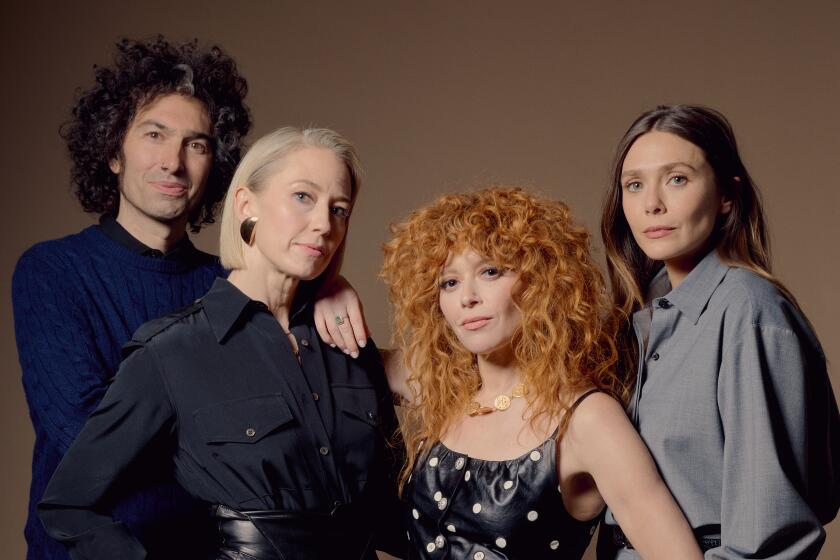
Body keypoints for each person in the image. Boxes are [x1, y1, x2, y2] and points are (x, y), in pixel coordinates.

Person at [38, 127, 405, 559]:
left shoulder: (348, 345)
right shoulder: (172, 351)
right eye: (302, 197)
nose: (324, 223)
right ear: (247, 204)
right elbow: (68, 504)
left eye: (339, 209)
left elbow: (397, 514)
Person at [12, 36, 250, 559]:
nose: (173, 162)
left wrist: (330, 288)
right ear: (113, 152)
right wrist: (229, 433)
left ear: (215, 166)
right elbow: (84, 436)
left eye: (196, 144)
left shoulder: (236, 284)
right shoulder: (52, 271)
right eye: (154, 135)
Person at [379, 186, 703, 559]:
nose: (467, 297)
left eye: (490, 271)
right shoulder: (444, 387)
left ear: (539, 284)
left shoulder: (587, 419)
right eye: (449, 282)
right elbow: (322, 363)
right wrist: (333, 291)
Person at [598, 105, 840, 559]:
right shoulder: (639, 319)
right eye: (634, 185)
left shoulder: (748, 311)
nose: (652, 203)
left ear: (727, 195)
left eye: (677, 179)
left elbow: (772, 534)